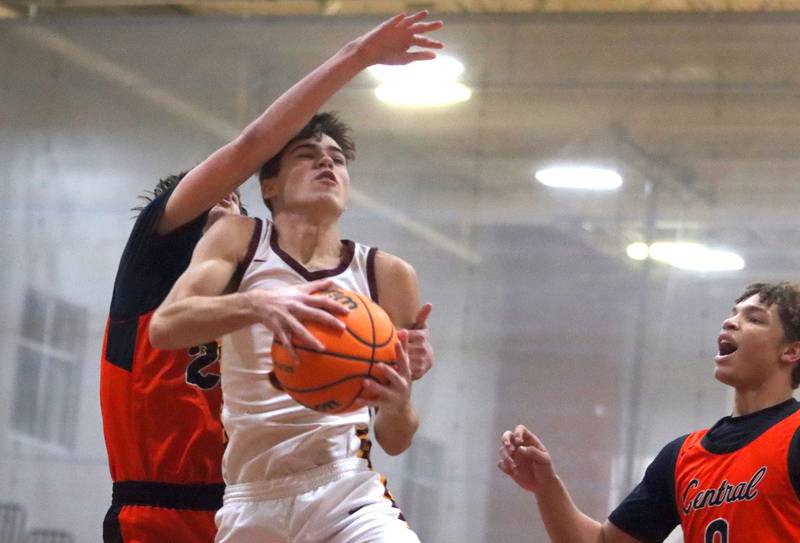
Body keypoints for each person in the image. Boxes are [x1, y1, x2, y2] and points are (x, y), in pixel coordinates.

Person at [100, 11, 438, 543]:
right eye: (219, 197)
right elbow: (252, 146)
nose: (232, 209)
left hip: (320, 490)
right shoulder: (165, 254)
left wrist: (391, 378)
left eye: (237, 200)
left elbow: (393, 430)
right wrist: (357, 55)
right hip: (172, 505)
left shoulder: (363, 273)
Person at [498, 281, 800, 543]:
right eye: (733, 313)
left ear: (790, 351)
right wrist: (546, 486)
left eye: (754, 319)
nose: (730, 322)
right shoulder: (681, 456)